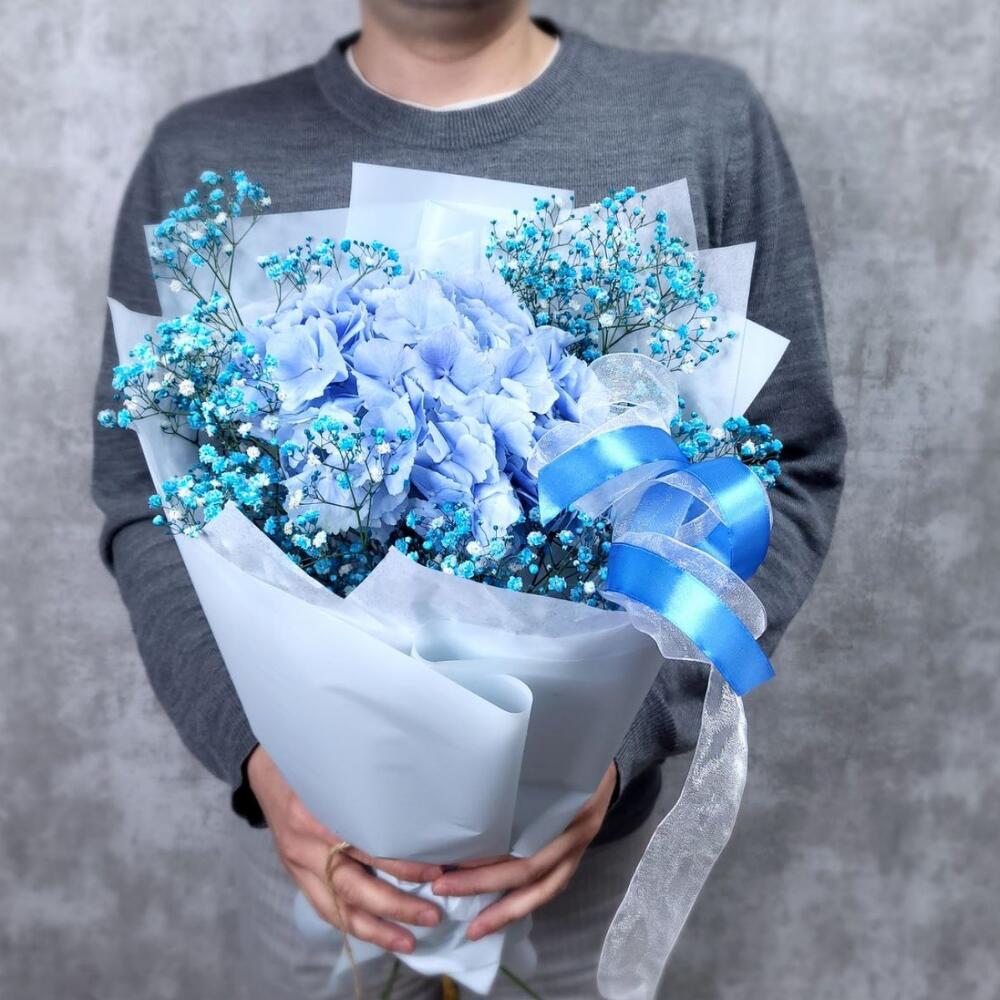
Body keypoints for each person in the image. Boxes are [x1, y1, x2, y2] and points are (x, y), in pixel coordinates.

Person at [91, 1, 846, 996]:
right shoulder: (202, 154)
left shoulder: (699, 122)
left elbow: (783, 470)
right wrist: (262, 754)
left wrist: (616, 742)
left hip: (578, 872)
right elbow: (148, 501)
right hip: (316, 868)